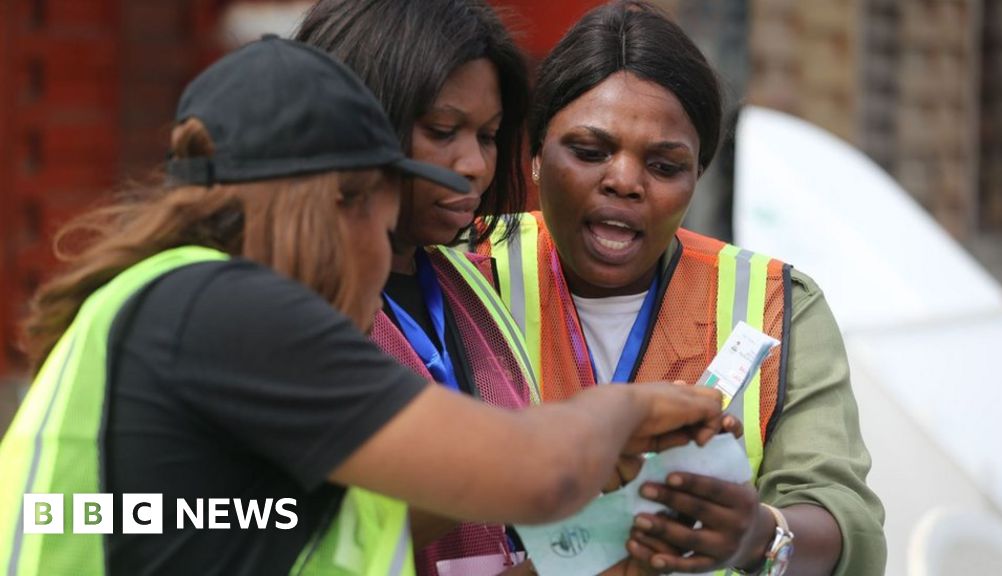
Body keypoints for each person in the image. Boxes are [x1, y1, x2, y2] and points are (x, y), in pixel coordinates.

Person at [0, 36, 737, 575]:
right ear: (340, 204)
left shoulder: (171, 304)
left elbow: (326, 525)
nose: (385, 264)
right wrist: (626, 412)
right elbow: (537, 473)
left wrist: (597, 465)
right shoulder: (231, 309)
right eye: (384, 232)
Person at [476, 2, 886, 574]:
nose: (623, 181)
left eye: (666, 166)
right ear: (537, 154)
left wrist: (757, 535)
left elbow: (847, 522)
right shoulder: (462, 270)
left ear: (697, 177)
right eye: (590, 152)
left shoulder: (776, 305)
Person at [295, 2, 539, 573]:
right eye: (442, 131)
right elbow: (316, 532)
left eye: (490, 135)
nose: (475, 163)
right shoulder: (293, 301)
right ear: (361, 123)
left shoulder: (468, 280)